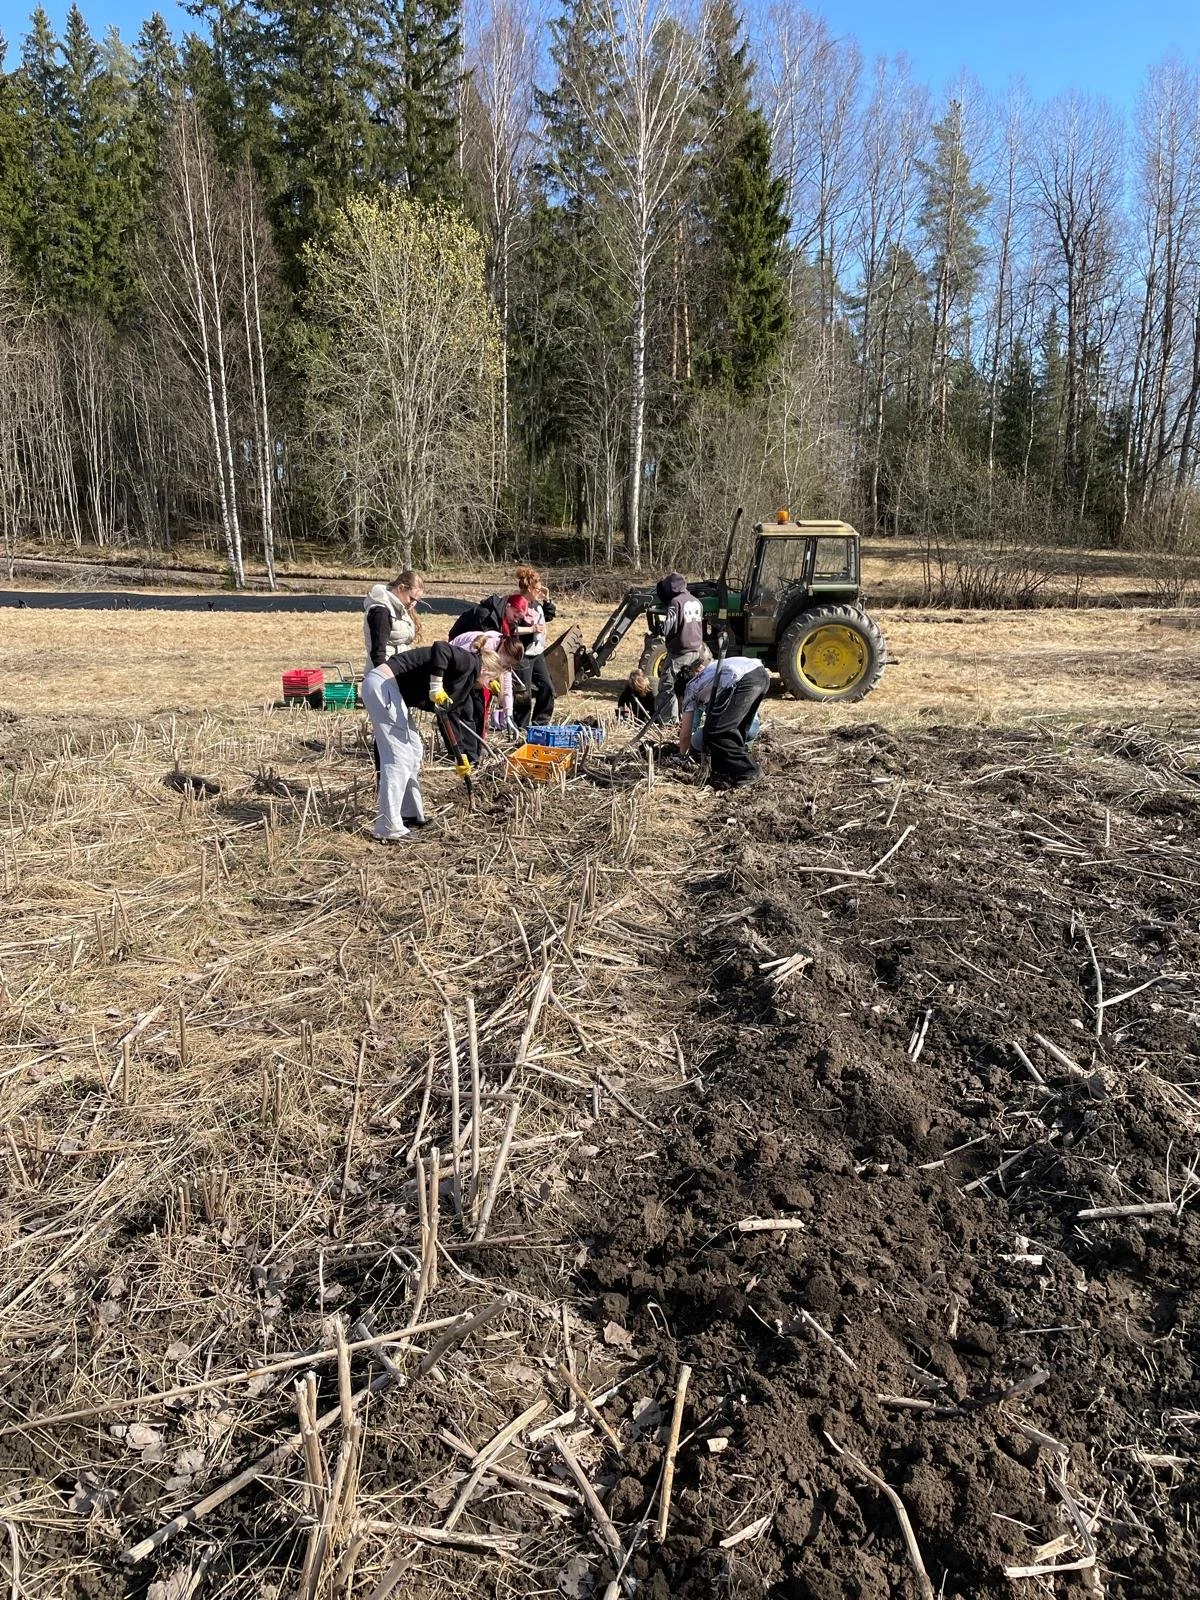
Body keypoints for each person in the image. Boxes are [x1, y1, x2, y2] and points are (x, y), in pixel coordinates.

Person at [361, 639, 503, 843]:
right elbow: (441, 648)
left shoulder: (463, 684)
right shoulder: (469, 662)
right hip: (383, 684)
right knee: (398, 757)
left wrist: (459, 756)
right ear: (486, 670)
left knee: (414, 750)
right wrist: (436, 685)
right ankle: (388, 827)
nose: (490, 686)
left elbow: (448, 718)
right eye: (492, 679)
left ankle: (408, 814)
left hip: (392, 691)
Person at [678, 652, 771, 789]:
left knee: (716, 731)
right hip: (760, 674)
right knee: (735, 728)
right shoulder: (708, 673)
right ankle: (732, 769)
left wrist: (681, 756)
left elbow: (686, 735)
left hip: (744, 679)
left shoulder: (690, 689)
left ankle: (749, 771)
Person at [445, 629, 525, 730]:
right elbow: (456, 660)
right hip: (456, 672)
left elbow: (507, 689)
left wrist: (508, 715)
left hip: (476, 678)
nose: (506, 666)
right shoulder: (484, 645)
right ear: (504, 649)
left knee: (479, 710)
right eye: (507, 662)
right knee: (467, 710)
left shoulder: (505, 660)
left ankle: (478, 741)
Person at [652, 571, 705, 723]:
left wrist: (660, 628)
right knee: (692, 687)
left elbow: (669, 627)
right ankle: (692, 720)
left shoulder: (676, 603)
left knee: (668, 686)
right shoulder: (696, 601)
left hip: (679, 653)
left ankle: (668, 721)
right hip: (696, 651)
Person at [510, 565, 556, 728]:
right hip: (522, 655)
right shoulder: (517, 603)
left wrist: (547, 598)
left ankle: (541, 723)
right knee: (524, 693)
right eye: (537, 588)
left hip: (537, 654)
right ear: (529, 588)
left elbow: (548, 615)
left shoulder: (536, 604)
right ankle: (520, 727)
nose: (540, 591)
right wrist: (532, 629)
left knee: (547, 688)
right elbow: (510, 628)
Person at [363, 571, 423, 673]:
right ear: (400, 588)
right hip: (384, 677)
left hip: (399, 672)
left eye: (417, 601)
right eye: (412, 599)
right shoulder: (381, 611)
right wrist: (388, 678)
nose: (413, 604)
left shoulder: (400, 608)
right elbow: (378, 655)